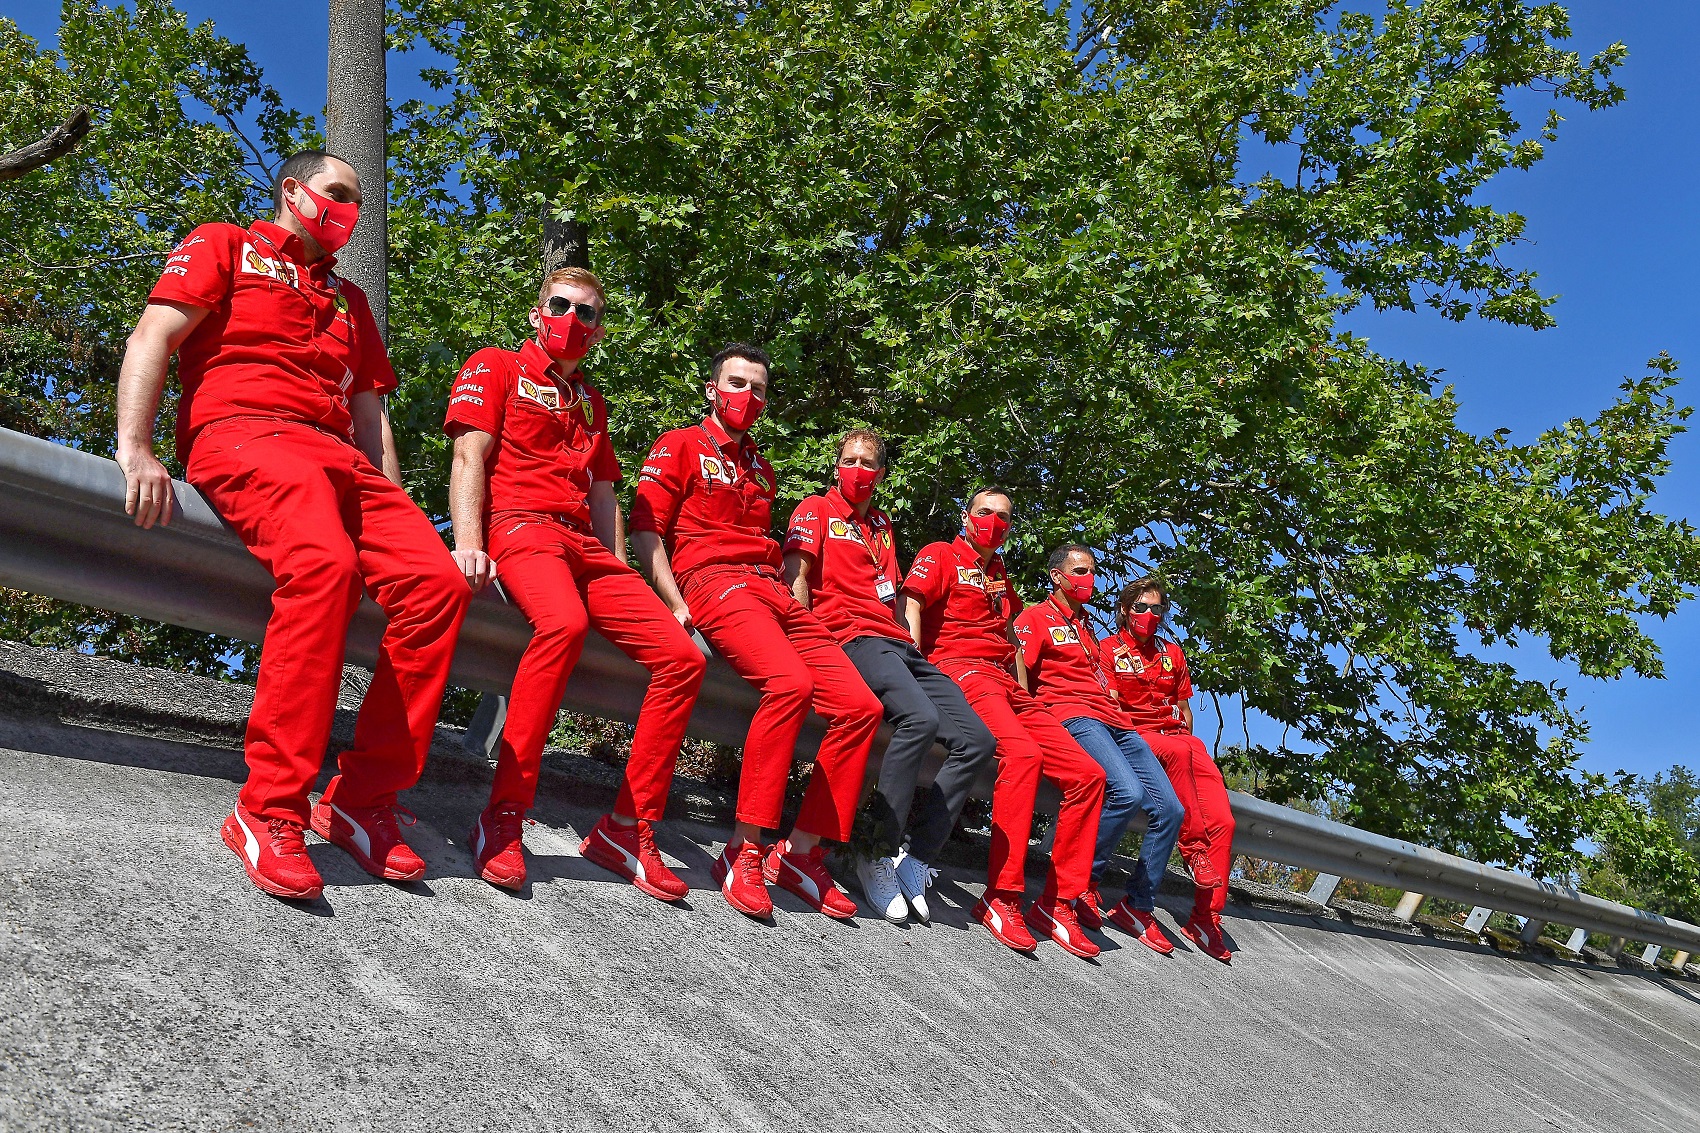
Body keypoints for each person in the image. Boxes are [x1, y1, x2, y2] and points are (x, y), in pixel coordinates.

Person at [116, 150, 471, 900]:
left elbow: (372, 421)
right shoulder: (225, 244)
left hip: (341, 460)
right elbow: (153, 337)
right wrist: (136, 447)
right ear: (292, 191)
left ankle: (362, 800)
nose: (348, 210)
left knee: (437, 583)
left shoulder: (351, 301)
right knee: (324, 566)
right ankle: (268, 805)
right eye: (336, 193)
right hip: (245, 431)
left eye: (357, 202)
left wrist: (397, 505)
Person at [443, 267, 708, 895]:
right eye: (561, 306)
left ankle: (625, 828)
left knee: (683, 659)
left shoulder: (592, 402)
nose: (572, 318)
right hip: (521, 526)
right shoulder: (498, 366)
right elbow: (468, 456)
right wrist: (469, 544)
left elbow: (605, 493)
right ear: (538, 313)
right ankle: (504, 817)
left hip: (586, 546)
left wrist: (617, 562)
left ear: (599, 328)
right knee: (563, 623)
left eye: (587, 313)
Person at [630, 344, 881, 921]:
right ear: (713, 388)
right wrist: (673, 602)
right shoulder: (681, 445)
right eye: (737, 383)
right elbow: (647, 531)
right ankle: (743, 849)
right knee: (790, 684)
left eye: (758, 389)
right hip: (713, 582)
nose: (747, 396)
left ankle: (801, 852)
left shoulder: (762, 469)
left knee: (859, 707)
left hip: (769, 589)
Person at [782, 430, 997, 923]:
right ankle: (874, 849)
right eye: (849, 460)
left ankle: (914, 857)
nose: (858, 469)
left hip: (897, 643)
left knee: (978, 741)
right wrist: (802, 645)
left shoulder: (882, 525)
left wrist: (910, 642)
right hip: (849, 637)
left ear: (881, 474)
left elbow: (890, 595)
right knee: (919, 719)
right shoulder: (815, 508)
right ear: (836, 465)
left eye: (868, 463)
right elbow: (796, 579)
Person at [897, 488, 1106, 959]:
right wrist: (911, 662)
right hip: (962, 670)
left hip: (1007, 683)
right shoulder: (942, 554)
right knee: (1023, 755)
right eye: (984, 512)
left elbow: (1010, 635)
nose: (993, 521)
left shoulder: (998, 574)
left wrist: (1022, 689)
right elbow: (910, 603)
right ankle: (1003, 897)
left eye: (1003, 516)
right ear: (967, 515)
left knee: (1090, 776)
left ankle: (1058, 904)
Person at [1014, 546, 1185, 955]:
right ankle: (1063, 897)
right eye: (1080, 571)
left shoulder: (1088, 627)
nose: (1088, 578)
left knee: (1171, 809)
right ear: (1057, 576)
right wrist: (1024, 716)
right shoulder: (1035, 617)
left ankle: (1137, 905)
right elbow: (1019, 669)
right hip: (1072, 715)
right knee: (1126, 791)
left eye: (1092, 571)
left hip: (1115, 720)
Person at [1105, 578, 1236, 963]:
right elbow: (1110, 708)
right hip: (1138, 736)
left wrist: (1183, 733)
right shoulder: (1109, 650)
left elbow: (1186, 711)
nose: (1148, 615)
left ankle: (1205, 917)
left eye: (1156, 609)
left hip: (1181, 741)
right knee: (1179, 755)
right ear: (1126, 610)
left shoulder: (1172, 653)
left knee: (1224, 823)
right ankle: (1193, 850)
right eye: (1141, 608)